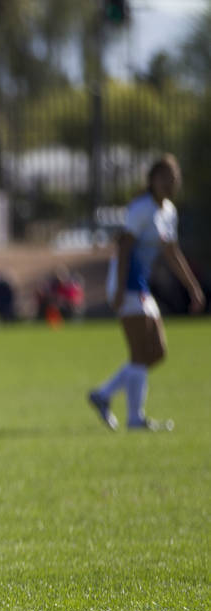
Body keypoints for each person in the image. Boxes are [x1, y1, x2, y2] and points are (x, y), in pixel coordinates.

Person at [88, 154, 205, 431]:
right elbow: (125, 247)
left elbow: (171, 252)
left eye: (173, 176)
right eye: (164, 175)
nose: (169, 181)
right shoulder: (141, 209)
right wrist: (118, 290)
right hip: (127, 283)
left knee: (157, 351)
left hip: (141, 285)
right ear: (152, 179)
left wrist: (193, 287)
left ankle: (103, 394)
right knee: (141, 351)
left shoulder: (168, 212)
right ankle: (135, 418)